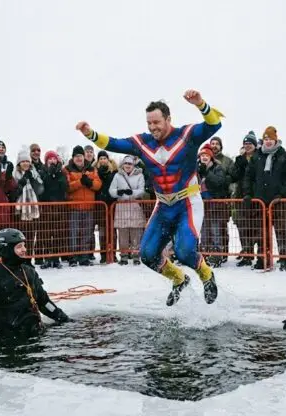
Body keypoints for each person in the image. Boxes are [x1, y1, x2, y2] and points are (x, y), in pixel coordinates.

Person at [75, 89, 223, 306]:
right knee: (147, 254)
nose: (153, 127)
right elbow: (112, 144)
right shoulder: (142, 142)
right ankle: (179, 279)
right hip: (163, 205)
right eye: (149, 123)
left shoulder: (185, 135)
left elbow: (214, 124)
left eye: (157, 122)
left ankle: (206, 274)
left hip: (187, 202)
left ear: (168, 119)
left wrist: (200, 104)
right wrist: (90, 133)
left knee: (183, 251)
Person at [0, 228, 71, 342]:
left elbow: (44, 302)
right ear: (6, 249)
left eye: (24, 245)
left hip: (34, 334)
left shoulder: (29, 272)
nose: (24, 250)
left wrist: (63, 318)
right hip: (6, 339)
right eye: (19, 247)